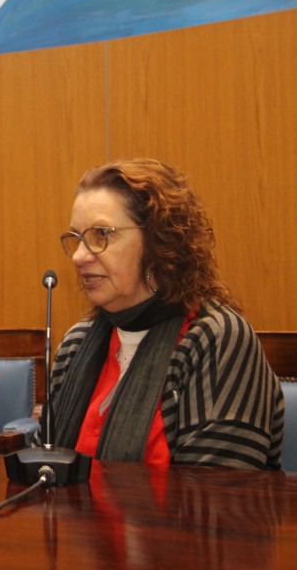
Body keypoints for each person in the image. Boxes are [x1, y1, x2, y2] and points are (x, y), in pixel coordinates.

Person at [49, 158, 283, 469]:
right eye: (77, 239)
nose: (79, 256)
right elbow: (46, 474)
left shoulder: (216, 340)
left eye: (100, 236)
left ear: (157, 241)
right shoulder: (76, 344)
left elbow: (217, 499)